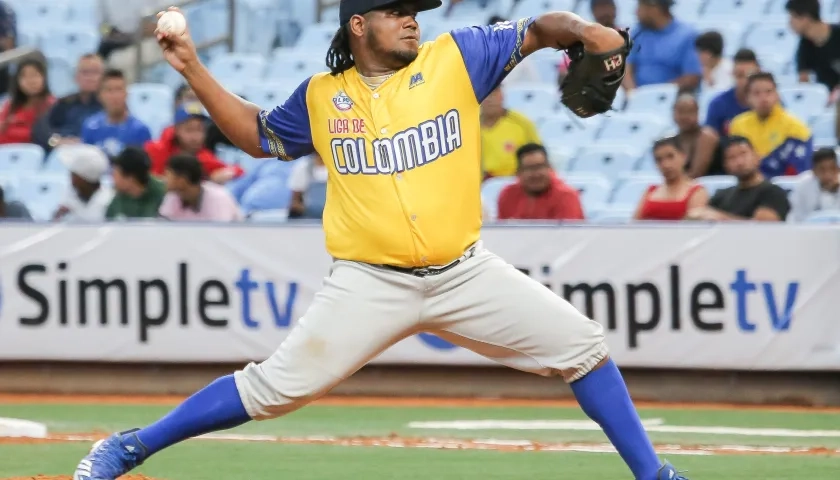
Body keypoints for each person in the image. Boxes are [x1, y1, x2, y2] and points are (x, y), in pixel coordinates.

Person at [73, 3, 687, 480]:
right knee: (273, 390)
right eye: (399, 12)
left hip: (464, 272)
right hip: (370, 280)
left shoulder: (457, 57)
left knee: (583, 346)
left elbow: (542, 28)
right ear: (360, 24)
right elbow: (257, 136)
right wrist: (188, 65)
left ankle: (654, 474)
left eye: (416, 10)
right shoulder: (322, 96)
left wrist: (590, 32)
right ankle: (128, 446)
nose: (413, 20)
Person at [729, 72, 813, 178]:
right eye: (756, 93)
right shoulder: (738, 124)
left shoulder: (796, 127)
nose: (763, 98)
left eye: (768, 92)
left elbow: (800, 168)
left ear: (777, 95)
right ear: (748, 98)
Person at [686, 136, 790, 221]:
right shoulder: (721, 195)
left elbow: (764, 228)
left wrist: (720, 218)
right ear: (725, 166)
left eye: (743, 154)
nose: (739, 162)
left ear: (757, 157)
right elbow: (700, 215)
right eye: (732, 158)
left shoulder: (773, 192)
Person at [144, 101, 243, 183]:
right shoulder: (154, 150)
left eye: (200, 130)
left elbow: (238, 171)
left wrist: (227, 173)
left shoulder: (202, 156)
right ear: (176, 129)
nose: (196, 137)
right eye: (189, 130)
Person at [624, 0, 702, 92]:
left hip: (673, 97)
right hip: (637, 97)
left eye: (640, 7)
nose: (636, 12)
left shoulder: (687, 35)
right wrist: (633, 93)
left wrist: (660, 93)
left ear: (655, 8)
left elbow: (692, 77)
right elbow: (626, 70)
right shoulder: (637, 32)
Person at [32, 54, 104, 152]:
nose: (90, 77)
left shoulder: (110, 106)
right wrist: (55, 141)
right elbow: (41, 128)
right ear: (76, 77)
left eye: (95, 72)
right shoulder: (65, 103)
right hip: (62, 153)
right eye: (85, 72)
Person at [497, 143, 584, 221]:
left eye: (540, 167)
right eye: (529, 168)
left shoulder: (566, 196)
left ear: (550, 168)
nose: (536, 174)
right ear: (518, 172)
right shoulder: (508, 195)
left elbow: (568, 236)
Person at [81, 69, 152, 158]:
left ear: (126, 94)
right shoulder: (90, 127)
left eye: (119, 89)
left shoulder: (140, 130)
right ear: (99, 95)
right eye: (109, 90)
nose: (115, 96)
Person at [634, 136, 707, 220]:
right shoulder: (650, 191)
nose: (665, 165)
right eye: (659, 160)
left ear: (683, 157)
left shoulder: (696, 191)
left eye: (670, 157)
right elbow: (634, 224)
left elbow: (695, 226)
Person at [158, 154, 243, 222]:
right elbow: (164, 227)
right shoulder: (172, 196)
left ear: (182, 180)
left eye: (167, 175)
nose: (164, 179)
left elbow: (223, 235)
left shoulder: (219, 198)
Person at [480, 86, 542, 178]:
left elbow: (539, 156)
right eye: (486, 95)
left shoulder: (522, 123)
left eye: (494, 93)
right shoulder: (467, 126)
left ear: (502, 95)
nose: (490, 99)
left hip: (518, 182)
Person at [786, 0, 840, 97]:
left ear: (806, 17)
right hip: (827, 102)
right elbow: (804, 82)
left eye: (793, 17)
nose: (790, 23)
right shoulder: (804, 47)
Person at [704, 48, 760, 137]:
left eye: (750, 76)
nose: (745, 81)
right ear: (733, 74)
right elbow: (709, 139)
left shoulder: (770, 101)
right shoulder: (718, 104)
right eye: (740, 76)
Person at [53, 144, 114, 222]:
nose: (71, 178)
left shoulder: (109, 202)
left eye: (74, 174)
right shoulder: (69, 197)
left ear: (82, 178)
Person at [0, 58, 55, 144]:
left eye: (34, 75)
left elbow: (45, 137)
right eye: (24, 76)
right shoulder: (10, 106)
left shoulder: (52, 105)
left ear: (44, 78)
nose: (30, 81)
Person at [106, 146, 167, 219]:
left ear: (130, 178)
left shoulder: (164, 196)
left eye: (115, 173)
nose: (113, 177)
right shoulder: (119, 198)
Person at [671, 92, 722, 177]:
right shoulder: (672, 140)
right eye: (680, 112)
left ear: (697, 113)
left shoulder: (706, 136)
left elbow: (697, 173)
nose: (684, 117)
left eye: (689, 112)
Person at [789, 147, 840, 222]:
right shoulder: (802, 186)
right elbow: (795, 217)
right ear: (814, 171)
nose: (828, 175)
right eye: (822, 169)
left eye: (832, 169)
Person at [288, 152, 328, 219]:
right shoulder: (303, 166)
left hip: (333, 216)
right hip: (309, 218)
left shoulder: (339, 167)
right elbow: (295, 200)